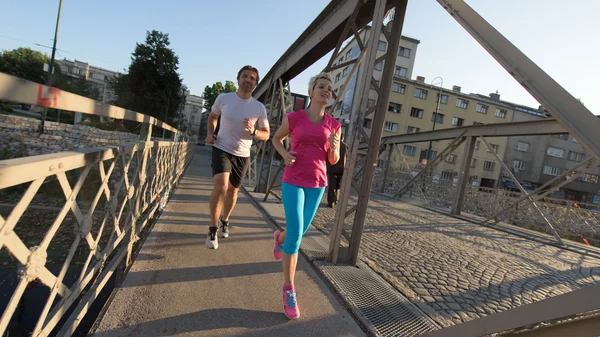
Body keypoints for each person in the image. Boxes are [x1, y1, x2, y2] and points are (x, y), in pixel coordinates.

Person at [271, 72, 341, 319]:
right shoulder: (295, 118)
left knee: (297, 230)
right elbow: (276, 139)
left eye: (329, 88)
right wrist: (284, 154)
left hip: (317, 183)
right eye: (321, 86)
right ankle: (289, 290)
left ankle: (279, 237)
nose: (326, 90)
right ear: (311, 92)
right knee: (297, 238)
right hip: (293, 180)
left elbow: (334, 160)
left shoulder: (334, 125)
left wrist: (334, 148)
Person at [205, 65, 270, 249]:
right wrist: (210, 133)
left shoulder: (259, 108)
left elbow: (266, 134)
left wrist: (255, 131)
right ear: (238, 79)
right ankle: (212, 228)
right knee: (221, 186)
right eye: (245, 76)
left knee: (233, 190)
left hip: (242, 154)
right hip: (222, 148)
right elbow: (212, 117)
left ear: (255, 83)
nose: (248, 80)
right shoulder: (224, 98)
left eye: (252, 78)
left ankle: (225, 219)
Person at [326, 133, 347, 207]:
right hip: (341, 170)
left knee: (331, 186)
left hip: (332, 168)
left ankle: (330, 202)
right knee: (338, 186)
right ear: (343, 138)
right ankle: (336, 199)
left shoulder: (332, 145)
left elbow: (327, 156)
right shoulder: (346, 146)